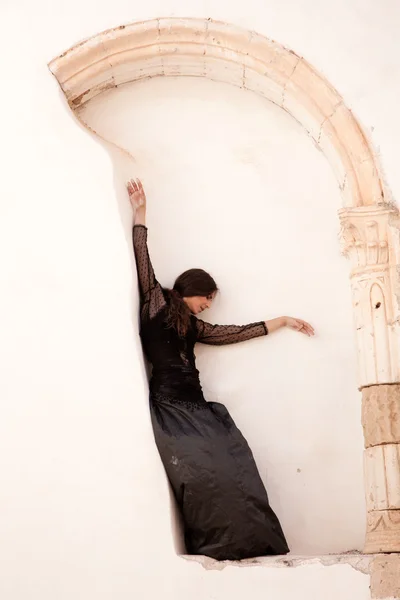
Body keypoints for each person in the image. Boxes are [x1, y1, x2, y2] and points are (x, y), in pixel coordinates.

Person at [127, 178, 314, 561]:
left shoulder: (193, 327)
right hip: (171, 408)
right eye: (208, 298)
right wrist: (141, 214)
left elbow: (233, 333)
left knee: (235, 463)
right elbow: (142, 256)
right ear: (193, 288)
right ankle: (216, 547)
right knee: (201, 475)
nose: (209, 305)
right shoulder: (156, 301)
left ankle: (255, 543)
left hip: (198, 407)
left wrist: (280, 321)